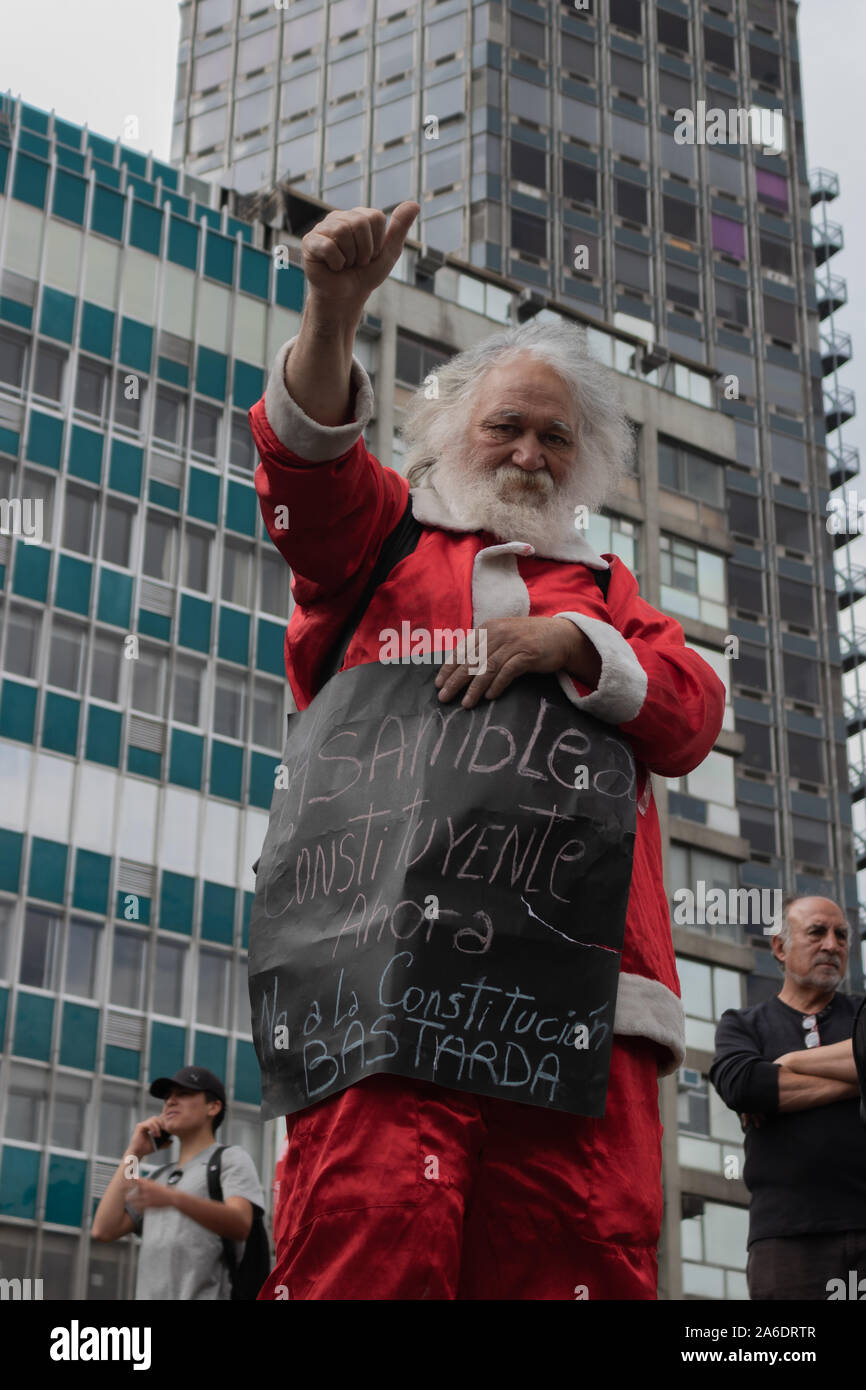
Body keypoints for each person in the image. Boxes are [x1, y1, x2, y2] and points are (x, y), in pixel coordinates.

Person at [248, 201, 726, 1300]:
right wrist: (332, 310)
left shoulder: (608, 592)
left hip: (575, 1014)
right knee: (363, 1249)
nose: (527, 451)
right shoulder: (376, 547)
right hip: (374, 992)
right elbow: (305, 475)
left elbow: (688, 715)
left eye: (555, 436)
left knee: (577, 1263)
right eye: (505, 424)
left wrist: (571, 641)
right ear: (442, 433)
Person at [710, 895, 866, 1300]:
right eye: (817, 932)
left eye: (842, 936)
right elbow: (745, 1085)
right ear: (780, 947)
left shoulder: (862, 1012)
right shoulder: (742, 1025)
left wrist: (791, 1062)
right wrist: (858, 1075)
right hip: (786, 1240)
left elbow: (768, 1086)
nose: (833, 945)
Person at [92, 1066, 265, 1300]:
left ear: (213, 1107)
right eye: (167, 1097)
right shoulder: (159, 1178)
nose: (171, 1101)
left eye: (183, 1094)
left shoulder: (229, 1159)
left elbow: (240, 1223)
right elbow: (104, 1229)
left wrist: (173, 1199)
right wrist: (134, 1154)